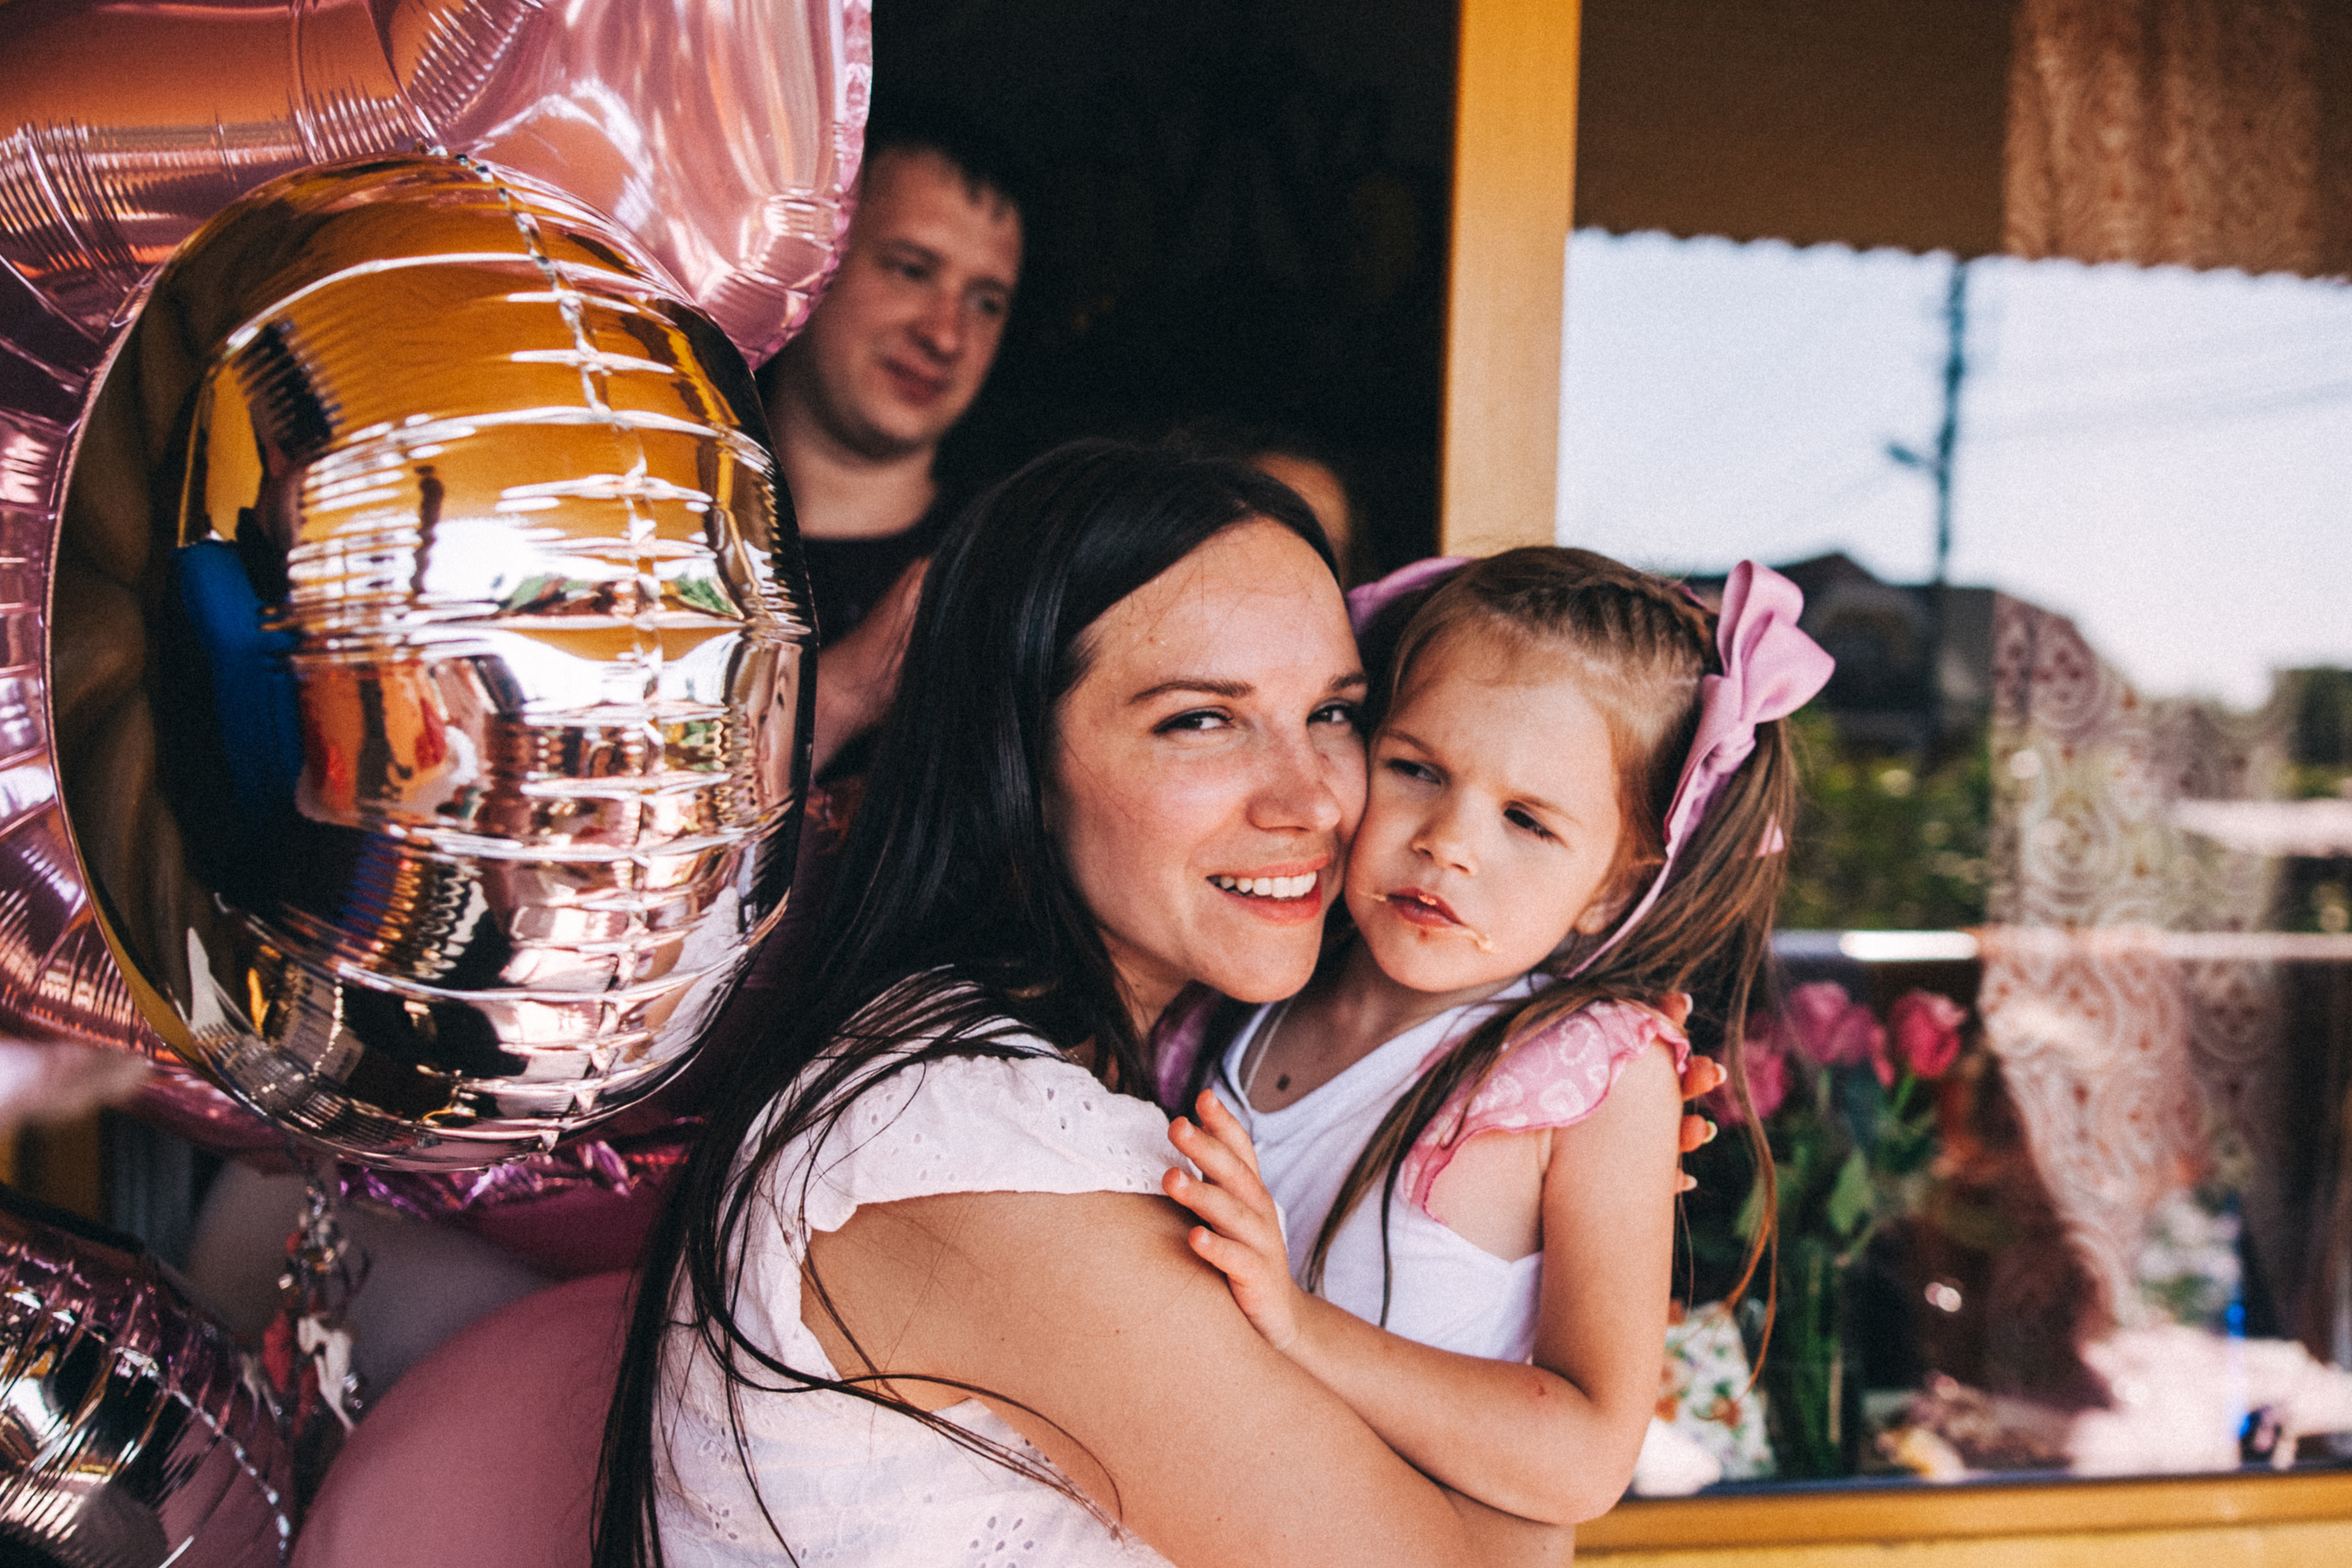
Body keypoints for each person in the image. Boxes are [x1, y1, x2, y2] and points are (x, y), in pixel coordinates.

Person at [594, 442, 1725, 1567]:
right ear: (1019, 758)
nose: (1313, 802)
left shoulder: (1131, 1071)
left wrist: (1548, 1169)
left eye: (1335, 714)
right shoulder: (978, 1152)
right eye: (1202, 720)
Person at [1158, 548, 1831, 1523]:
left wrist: (1296, 1326)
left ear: (1614, 887)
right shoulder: (1246, 991)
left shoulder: (1594, 1073)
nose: (1449, 841)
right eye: (1416, 769)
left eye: (1526, 819)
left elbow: (1584, 1458)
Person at [764, 101, 1027, 777]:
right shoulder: (662, 523)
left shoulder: (1014, 570)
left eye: (986, 301)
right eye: (911, 269)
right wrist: (843, 691)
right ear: (810, 261)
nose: (945, 335)